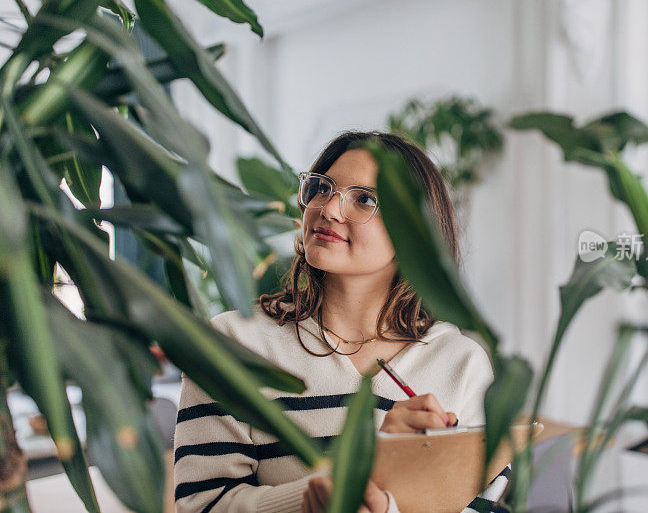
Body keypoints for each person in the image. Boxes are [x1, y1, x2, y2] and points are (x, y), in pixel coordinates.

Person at [173, 131, 496, 512]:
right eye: (322, 188)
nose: (329, 209)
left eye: (364, 200)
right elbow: (201, 506)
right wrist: (330, 490)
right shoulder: (231, 344)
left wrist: (386, 484)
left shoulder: (462, 365)